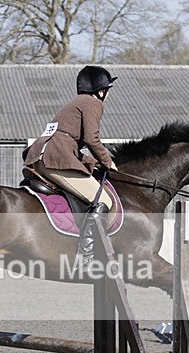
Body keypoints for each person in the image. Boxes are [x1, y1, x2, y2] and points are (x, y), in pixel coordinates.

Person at [23, 65, 118, 271]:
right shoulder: (93, 103)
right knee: (103, 199)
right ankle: (87, 255)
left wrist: (91, 163)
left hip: (40, 154)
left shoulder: (74, 104)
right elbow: (92, 140)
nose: (108, 95)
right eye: (108, 90)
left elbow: (71, 144)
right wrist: (107, 162)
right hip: (54, 157)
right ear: (101, 91)